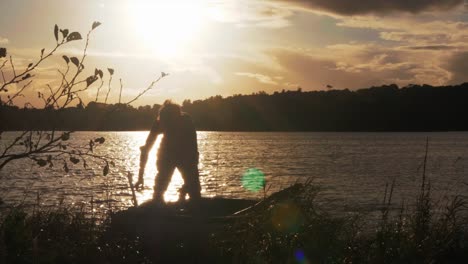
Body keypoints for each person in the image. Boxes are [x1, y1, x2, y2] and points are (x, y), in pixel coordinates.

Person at [135, 100, 201, 203]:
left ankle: (191, 200)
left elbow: (193, 149)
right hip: (166, 152)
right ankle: (158, 203)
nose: (166, 126)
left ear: (177, 118)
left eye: (169, 123)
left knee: (194, 191)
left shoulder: (186, 122)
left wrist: (188, 184)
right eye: (164, 123)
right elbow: (146, 149)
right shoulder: (158, 123)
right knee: (159, 190)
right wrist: (140, 177)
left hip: (185, 152)